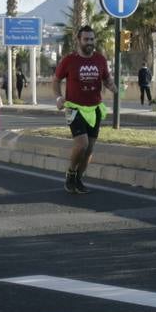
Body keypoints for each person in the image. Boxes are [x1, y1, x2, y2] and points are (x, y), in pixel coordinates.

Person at [53, 25, 115, 194]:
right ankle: (71, 173)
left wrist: (114, 88)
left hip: (94, 108)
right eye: (86, 39)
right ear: (79, 40)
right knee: (82, 144)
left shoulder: (100, 59)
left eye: (92, 39)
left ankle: (78, 179)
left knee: (89, 149)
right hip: (74, 108)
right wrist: (59, 98)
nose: (90, 42)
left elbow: (107, 79)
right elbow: (56, 80)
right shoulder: (69, 60)